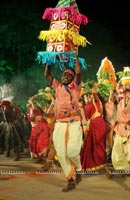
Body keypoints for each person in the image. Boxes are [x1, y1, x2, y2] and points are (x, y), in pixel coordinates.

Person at [44, 58, 83, 192]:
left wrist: (76, 59)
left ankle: (78, 169)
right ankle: (70, 180)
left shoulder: (76, 87)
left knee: (72, 151)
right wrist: (49, 60)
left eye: (69, 75)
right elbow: (47, 75)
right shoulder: (58, 86)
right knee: (61, 152)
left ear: (73, 78)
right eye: (64, 75)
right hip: (60, 123)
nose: (65, 77)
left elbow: (78, 72)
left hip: (73, 122)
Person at [80, 84, 107, 171]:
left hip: (98, 125)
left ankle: (101, 163)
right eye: (88, 96)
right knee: (89, 145)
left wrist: (94, 90)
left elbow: (95, 94)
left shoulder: (96, 102)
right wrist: (81, 94)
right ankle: (92, 165)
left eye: (90, 95)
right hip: (92, 125)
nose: (89, 97)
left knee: (98, 145)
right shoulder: (86, 104)